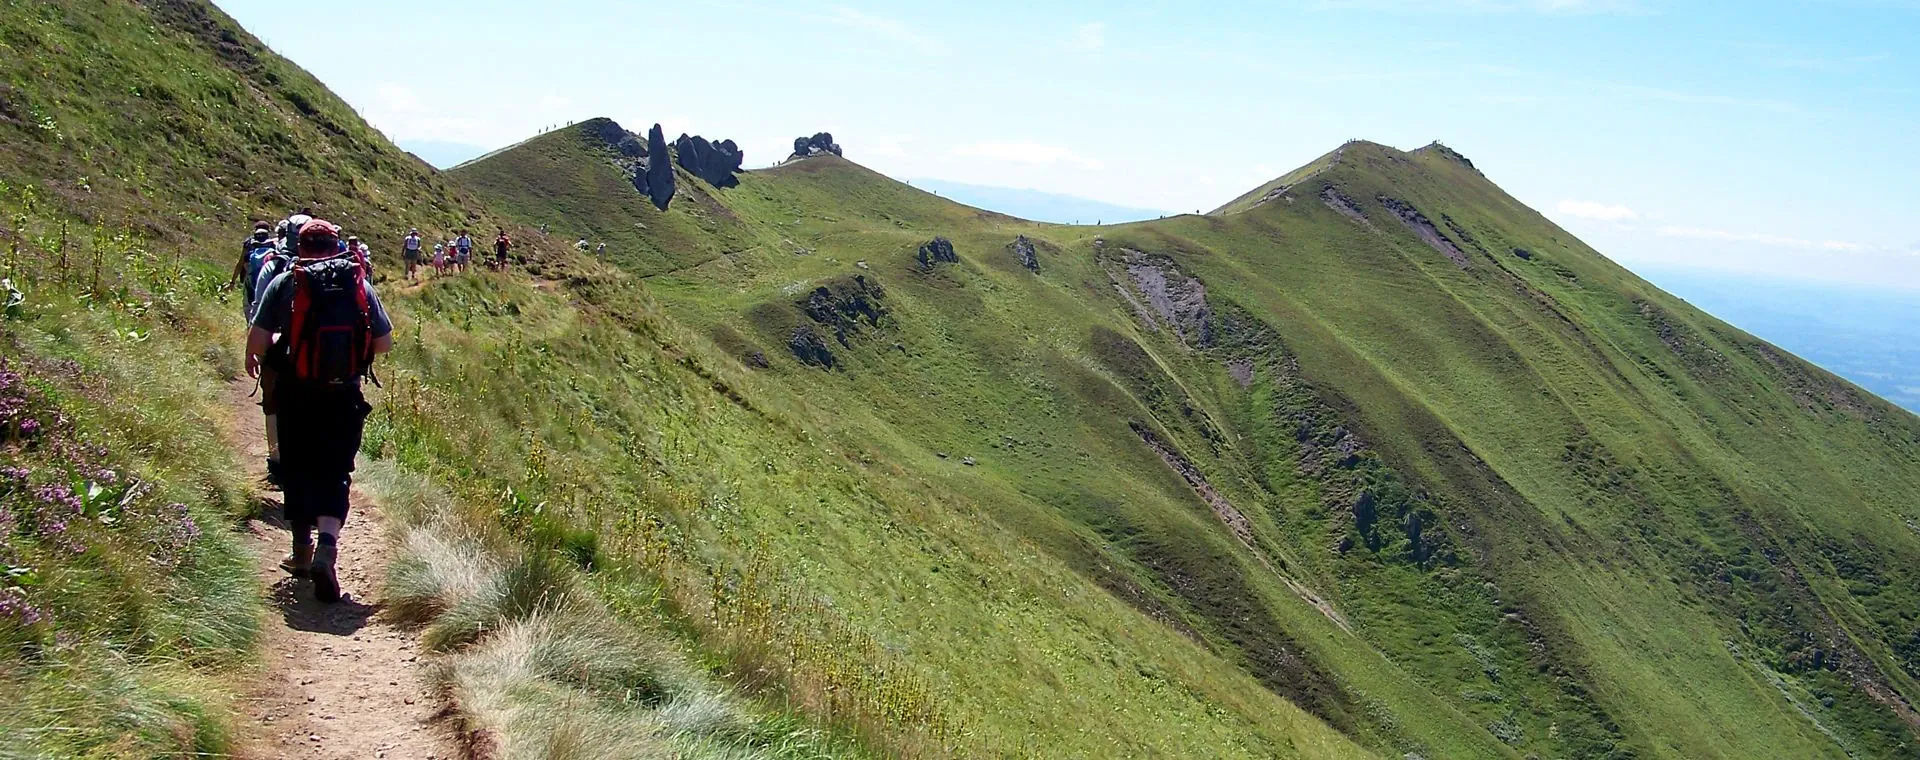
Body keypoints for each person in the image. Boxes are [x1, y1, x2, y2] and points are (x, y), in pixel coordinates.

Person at [245, 219, 393, 603]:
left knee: (296, 469)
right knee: (335, 471)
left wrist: (279, 346)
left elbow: (259, 340)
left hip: (297, 394)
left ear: (301, 246)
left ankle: (300, 550)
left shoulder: (286, 282)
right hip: (343, 395)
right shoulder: (357, 283)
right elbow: (384, 343)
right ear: (337, 245)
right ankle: (328, 546)